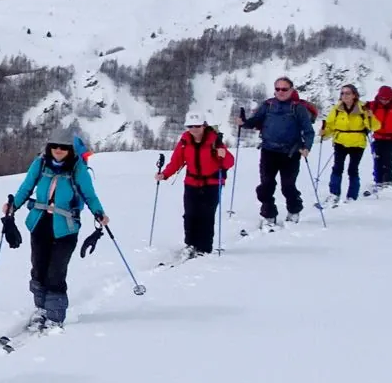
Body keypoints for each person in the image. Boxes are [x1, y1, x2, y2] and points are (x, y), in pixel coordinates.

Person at [1, 131, 109, 331]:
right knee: (38, 268)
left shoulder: (77, 170)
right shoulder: (40, 164)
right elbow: (26, 187)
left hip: (66, 228)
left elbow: (89, 195)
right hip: (40, 223)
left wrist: (99, 213)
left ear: (70, 150)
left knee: (56, 273)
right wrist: (12, 206)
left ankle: (55, 316)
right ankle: (41, 310)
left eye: (63, 147)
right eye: (55, 146)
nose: (58, 150)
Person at [231, 77, 316, 227]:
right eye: (277, 89)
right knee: (266, 185)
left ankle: (294, 210)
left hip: (291, 153)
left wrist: (306, 147)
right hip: (269, 151)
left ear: (291, 90)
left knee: (288, 185)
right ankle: (269, 214)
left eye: (284, 89)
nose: (280, 92)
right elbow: (256, 120)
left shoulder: (298, 108)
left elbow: (309, 131)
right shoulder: (268, 105)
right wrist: (244, 123)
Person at [158, 113, 235, 257]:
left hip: (212, 183)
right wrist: (165, 174)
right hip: (191, 182)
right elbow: (177, 161)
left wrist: (223, 155)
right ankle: (191, 244)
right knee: (190, 214)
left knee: (206, 215)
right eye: (190, 126)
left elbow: (229, 162)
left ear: (204, 126)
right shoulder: (185, 141)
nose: (193, 129)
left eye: (197, 126)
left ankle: (204, 248)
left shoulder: (214, 140)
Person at [319, 84, 379, 202]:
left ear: (354, 95)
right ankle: (334, 194)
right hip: (340, 142)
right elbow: (330, 126)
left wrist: (370, 117)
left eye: (347, 93)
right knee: (337, 168)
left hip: (357, 143)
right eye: (342, 93)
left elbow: (375, 126)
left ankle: (352, 196)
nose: (344, 96)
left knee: (352, 169)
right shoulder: (337, 109)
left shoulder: (363, 109)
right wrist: (324, 133)